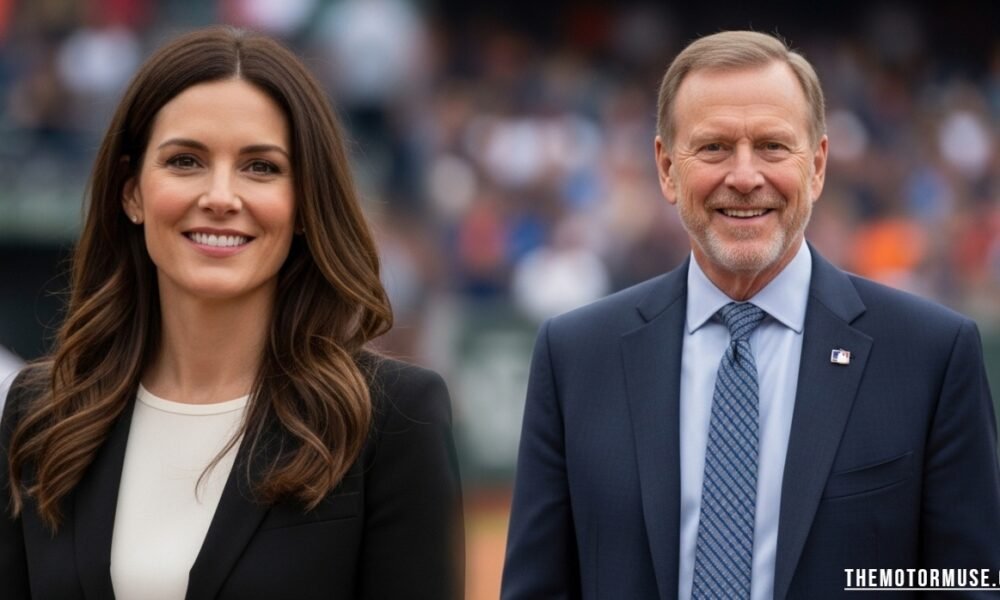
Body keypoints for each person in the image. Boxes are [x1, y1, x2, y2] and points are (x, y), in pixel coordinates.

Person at [501, 30, 1000, 600]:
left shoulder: (930, 356)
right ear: (666, 168)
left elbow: (967, 583)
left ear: (816, 166)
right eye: (713, 147)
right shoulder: (575, 357)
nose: (744, 176)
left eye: (772, 147)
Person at [1, 26, 462, 600]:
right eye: (186, 160)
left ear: (303, 204)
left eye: (261, 167)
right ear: (131, 192)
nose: (221, 196)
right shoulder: (42, 412)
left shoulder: (392, 419)